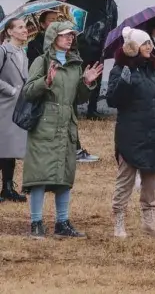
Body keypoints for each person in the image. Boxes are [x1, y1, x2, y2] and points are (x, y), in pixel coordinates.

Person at [21, 21, 103, 238]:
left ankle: (62, 222)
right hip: (44, 126)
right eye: (65, 35)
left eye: (72, 36)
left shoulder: (76, 64)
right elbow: (28, 91)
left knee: (64, 176)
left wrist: (86, 83)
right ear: (53, 37)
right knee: (40, 175)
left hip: (67, 124)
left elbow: (78, 99)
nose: (70, 38)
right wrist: (45, 82)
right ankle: (36, 222)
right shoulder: (42, 60)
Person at [106, 27, 155, 238]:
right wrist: (124, 81)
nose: (150, 47)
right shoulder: (120, 69)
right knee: (126, 179)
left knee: (150, 179)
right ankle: (119, 221)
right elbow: (113, 100)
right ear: (134, 47)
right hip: (130, 132)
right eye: (145, 43)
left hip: (152, 130)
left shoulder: (152, 70)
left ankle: (149, 222)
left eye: (149, 43)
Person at [0, 17, 30, 201]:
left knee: (9, 147)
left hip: (16, 106)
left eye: (25, 27)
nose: (25, 30)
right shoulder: (3, 51)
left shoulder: (23, 53)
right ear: (10, 31)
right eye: (20, 27)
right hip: (3, 104)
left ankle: (8, 187)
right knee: (2, 145)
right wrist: (11, 90)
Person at [81, 0, 118, 120]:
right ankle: (75, 105)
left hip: (101, 46)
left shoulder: (112, 5)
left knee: (97, 75)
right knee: (82, 74)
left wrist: (110, 43)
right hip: (87, 44)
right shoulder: (91, 0)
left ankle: (92, 109)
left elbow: (113, 25)